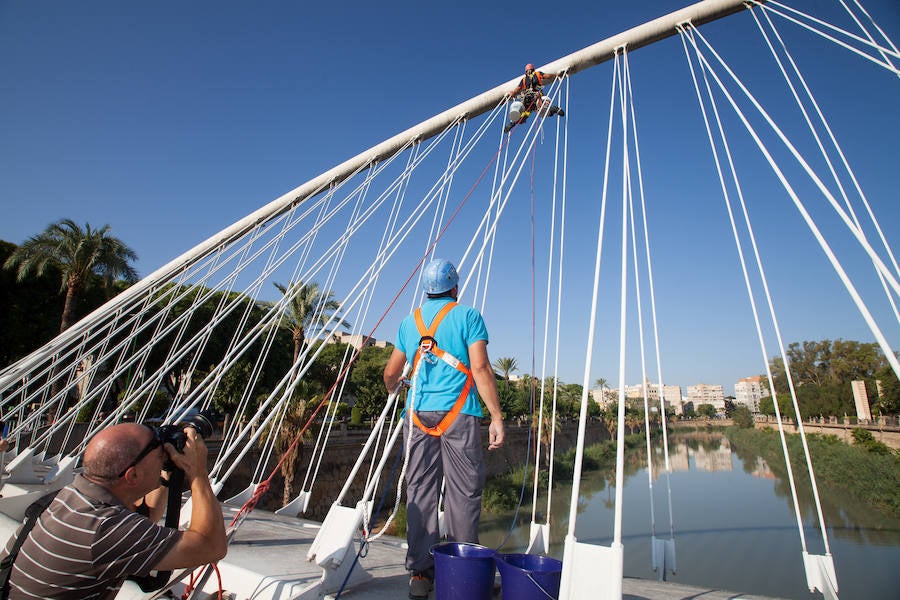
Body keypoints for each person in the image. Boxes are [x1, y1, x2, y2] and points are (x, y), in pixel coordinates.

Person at [383, 258, 505, 600]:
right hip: (459, 414)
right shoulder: (468, 316)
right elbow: (480, 367)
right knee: (463, 493)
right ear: (455, 288)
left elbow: (391, 375)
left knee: (420, 489)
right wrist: (495, 416)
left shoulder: (410, 323)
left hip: (418, 415)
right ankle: (464, 571)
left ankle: (420, 574)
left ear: (426, 290)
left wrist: (401, 388)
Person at [2, 422, 227, 599]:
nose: (163, 454)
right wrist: (197, 472)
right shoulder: (104, 529)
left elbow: (146, 518)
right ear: (132, 476)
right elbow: (212, 546)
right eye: (158, 451)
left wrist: (168, 470)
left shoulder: (67, 498)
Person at [505, 63, 565, 133]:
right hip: (528, 99)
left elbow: (547, 76)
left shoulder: (536, 75)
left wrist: (556, 75)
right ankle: (513, 122)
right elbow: (518, 88)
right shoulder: (525, 79)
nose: (529, 72)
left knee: (541, 110)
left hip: (535, 96)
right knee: (524, 115)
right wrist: (513, 93)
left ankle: (553, 109)